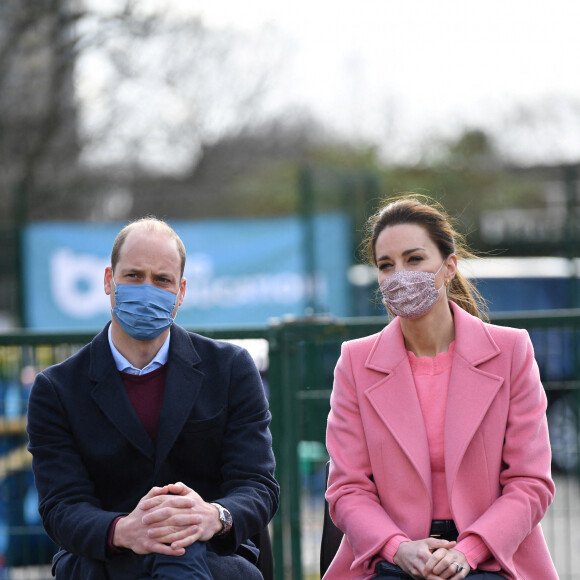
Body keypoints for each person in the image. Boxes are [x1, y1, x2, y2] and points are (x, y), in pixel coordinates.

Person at [26, 217, 279, 579]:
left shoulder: (231, 369)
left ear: (181, 291)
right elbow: (61, 505)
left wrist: (210, 517)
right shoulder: (57, 389)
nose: (147, 289)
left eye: (161, 280)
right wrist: (124, 530)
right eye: (133, 276)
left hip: (212, 555)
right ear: (108, 281)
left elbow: (257, 484)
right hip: (104, 559)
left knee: (184, 558)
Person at [323, 195, 557, 580]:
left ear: (449, 267)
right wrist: (398, 548)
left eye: (414, 259)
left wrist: (469, 550)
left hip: (493, 560)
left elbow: (530, 482)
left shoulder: (511, 350)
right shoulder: (355, 362)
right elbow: (347, 490)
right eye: (386, 265)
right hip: (389, 562)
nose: (399, 274)